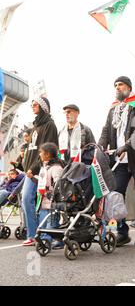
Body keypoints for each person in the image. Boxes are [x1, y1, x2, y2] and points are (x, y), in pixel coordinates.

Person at [99, 76, 135, 247]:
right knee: (116, 196)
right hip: (119, 160)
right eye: (115, 85)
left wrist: (126, 147)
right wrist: (100, 147)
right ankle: (123, 232)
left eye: (120, 84)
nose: (117, 87)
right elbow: (106, 131)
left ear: (129, 87)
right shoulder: (113, 109)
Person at [21, 97, 59, 246]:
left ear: (43, 107)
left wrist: (33, 168)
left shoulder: (50, 125)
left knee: (46, 203)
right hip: (30, 171)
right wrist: (26, 167)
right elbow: (32, 150)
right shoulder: (35, 126)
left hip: (44, 170)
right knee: (26, 200)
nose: (33, 106)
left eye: (35, 104)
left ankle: (46, 236)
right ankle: (33, 234)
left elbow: (47, 151)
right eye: (32, 105)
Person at [37, 142, 65, 248]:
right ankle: (47, 239)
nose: (39, 154)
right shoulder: (45, 167)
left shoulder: (56, 168)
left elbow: (59, 184)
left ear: (47, 154)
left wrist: (52, 194)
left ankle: (49, 240)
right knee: (43, 221)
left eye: (41, 152)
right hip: (44, 199)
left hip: (53, 200)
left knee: (52, 222)